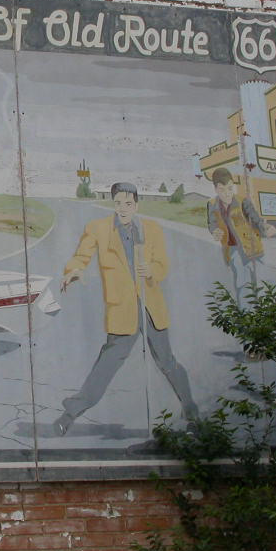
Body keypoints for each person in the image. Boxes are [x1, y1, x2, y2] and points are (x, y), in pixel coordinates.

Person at [53, 182, 198, 436]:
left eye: (128, 204)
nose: (123, 209)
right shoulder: (98, 228)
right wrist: (73, 271)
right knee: (105, 366)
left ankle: (192, 413)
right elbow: (82, 256)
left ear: (136, 205)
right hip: (122, 310)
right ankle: (69, 415)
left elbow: (163, 264)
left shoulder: (151, 229)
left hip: (151, 309)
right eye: (118, 203)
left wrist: (152, 270)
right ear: (113, 204)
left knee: (167, 362)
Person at [206, 167, 276, 306]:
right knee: (242, 285)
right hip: (234, 252)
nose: (227, 194)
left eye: (230, 188)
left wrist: (265, 228)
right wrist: (215, 231)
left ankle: (264, 313)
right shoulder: (212, 204)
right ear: (215, 189)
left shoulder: (242, 201)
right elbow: (212, 224)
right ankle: (245, 314)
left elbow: (256, 220)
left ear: (233, 186)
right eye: (222, 189)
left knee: (261, 286)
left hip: (253, 250)